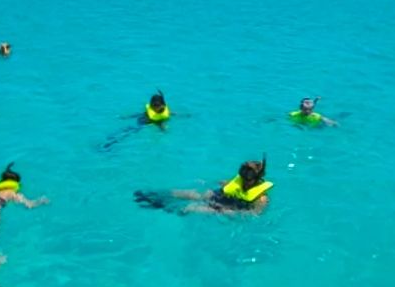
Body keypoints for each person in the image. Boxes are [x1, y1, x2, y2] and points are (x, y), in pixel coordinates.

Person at [134, 155, 273, 215]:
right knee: (189, 193)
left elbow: (251, 214)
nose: (243, 182)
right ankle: (152, 194)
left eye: (247, 179)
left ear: (257, 179)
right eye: (242, 177)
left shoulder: (262, 199)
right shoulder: (242, 180)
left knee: (190, 208)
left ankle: (158, 206)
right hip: (220, 195)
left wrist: (227, 212)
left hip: (225, 208)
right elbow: (226, 184)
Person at [99, 90, 179, 151]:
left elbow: (170, 114)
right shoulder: (152, 112)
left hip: (142, 124)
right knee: (127, 131)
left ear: (162, 105)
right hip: (142, 123)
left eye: (157, 105)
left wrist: (182, 115)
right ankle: (109, 142)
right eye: (153, 105)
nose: (154, 107)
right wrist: (126, 117)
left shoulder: (165, 112)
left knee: (127, 132)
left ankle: (109, 144)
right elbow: (140, 115)